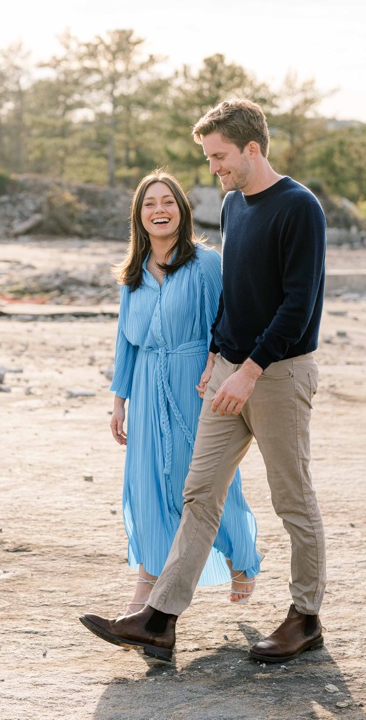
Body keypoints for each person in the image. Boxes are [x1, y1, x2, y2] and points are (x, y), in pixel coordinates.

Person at [81, 98, 327, 665]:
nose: (214, 168)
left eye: (219, 156)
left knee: (292, 498)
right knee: (200, 493)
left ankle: (305, 617)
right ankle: (160, 619)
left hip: (277, 375)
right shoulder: (235, 202)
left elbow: (298, 306)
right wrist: (217, 355)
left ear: (251, 148)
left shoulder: (299, 208)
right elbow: (238, 296)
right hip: (226, 374)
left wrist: (249, 370)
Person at [104, 170, 262, 616]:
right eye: (150, 203)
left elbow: (228, 318)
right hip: (146, 388)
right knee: (148, 487)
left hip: (195, 384)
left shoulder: (207, 264)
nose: (159, 210)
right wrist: (119, 401)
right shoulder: (132, 275)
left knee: (201, 483)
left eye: (167, 202)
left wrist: (215, 361)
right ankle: (146, 592)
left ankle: (240, 556)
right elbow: (125, 339)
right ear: (139, 215)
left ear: (182, 210)